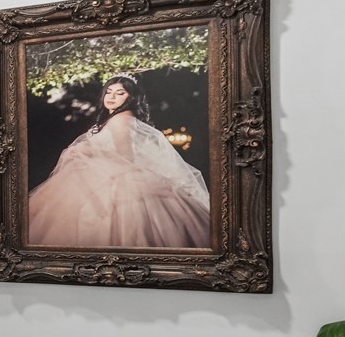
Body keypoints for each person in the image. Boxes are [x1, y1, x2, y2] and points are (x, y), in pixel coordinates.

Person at [28, 74, 210, 248]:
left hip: (118, 182)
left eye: (120, 93)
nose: (112, 97)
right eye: (109, 92)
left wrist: (86, 152)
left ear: (131, 98)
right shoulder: (119, 119)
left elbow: (125, 157)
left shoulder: (122, 121)